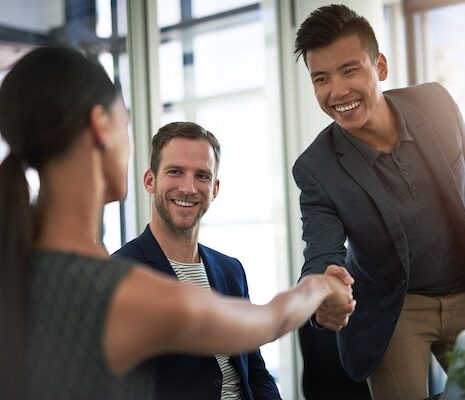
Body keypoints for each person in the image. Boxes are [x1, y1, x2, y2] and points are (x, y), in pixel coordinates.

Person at [0, 46, 354, 400]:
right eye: (126, 122)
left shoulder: (22, 271)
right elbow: (269, 321)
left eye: (201, 175)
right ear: (100, 125)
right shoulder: (116, 291)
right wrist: (320, 286)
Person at [293, 4, 465, 400]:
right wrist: (320, 290)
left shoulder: (436, 104)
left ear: (380, 67)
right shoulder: (315, 168)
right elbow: (320, 252)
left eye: (349, 70)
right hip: (395, 305)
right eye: (321, 78)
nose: (337, 91)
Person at [115, 121, 283, 399]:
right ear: (150, 180)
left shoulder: (231, 270)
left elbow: (255, 371)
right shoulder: (120, 273)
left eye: (202, 176)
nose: (189, 188)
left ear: (215, 188)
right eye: (175, 172)